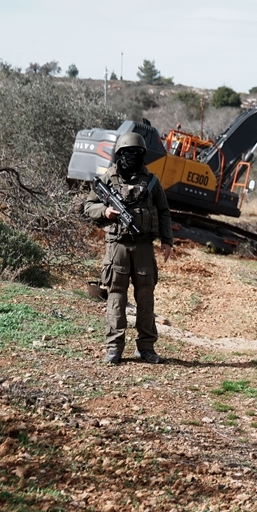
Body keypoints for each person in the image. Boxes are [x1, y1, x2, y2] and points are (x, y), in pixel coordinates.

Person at [84, 132, 173, 365]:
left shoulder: (152, 182)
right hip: (117, 246)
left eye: (137, 153)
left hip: (144, 246)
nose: (132, 157)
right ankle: (114, 347)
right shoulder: (107, 179)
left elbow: (164, 212)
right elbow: (88, 206)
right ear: (120, 155)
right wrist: (105, 211)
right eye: (128, 153)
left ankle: (146, 347)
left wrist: (167, 240)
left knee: (145, 298)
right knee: (116, 297)